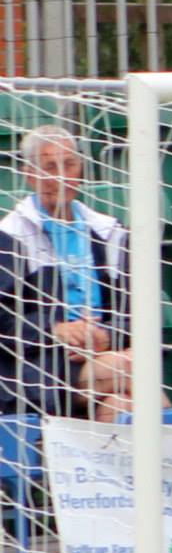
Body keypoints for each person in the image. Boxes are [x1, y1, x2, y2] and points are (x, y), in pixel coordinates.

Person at [0, 126, 133, 422]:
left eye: (69, 164)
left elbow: (136, 310)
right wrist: (57, 331)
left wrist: (105, 335)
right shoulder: (9, 237)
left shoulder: (108, 231)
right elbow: (5, 323)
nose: (61, 176)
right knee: (136, 371)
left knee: (124, 406)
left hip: (105, 352)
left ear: (81, 168)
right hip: (41, 365)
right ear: (29, 174)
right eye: (49, 167)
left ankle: (98, 467)